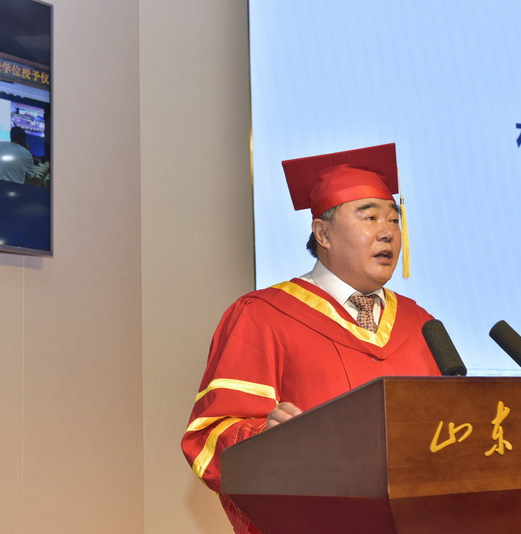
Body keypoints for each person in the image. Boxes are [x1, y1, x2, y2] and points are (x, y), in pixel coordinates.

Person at [181, 143, 442, 534]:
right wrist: (267, 442)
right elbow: (208, 435)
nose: (388, 231)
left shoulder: (421, 323)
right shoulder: (263, 315)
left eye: (394, 219)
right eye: (370, 217)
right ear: (322, 233)